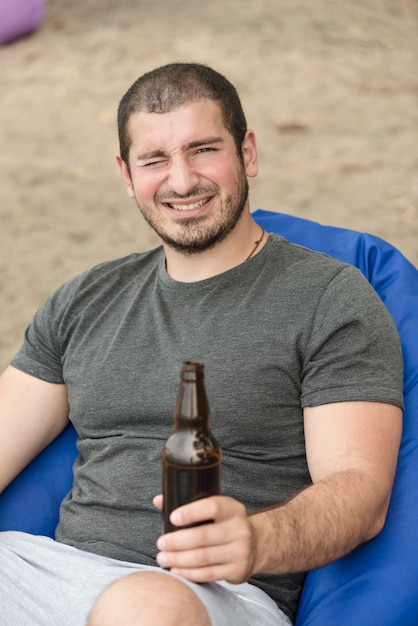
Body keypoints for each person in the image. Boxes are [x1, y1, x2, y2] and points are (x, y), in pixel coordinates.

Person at [0, 63, 403, 626]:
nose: (182, 181)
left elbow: (361, 492)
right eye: (155, 160)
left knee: (141, 607)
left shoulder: (331, 298)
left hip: (213, 593)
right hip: (49, 572)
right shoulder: (85, 299)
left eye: (203, 150)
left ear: (248, 153)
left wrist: (255, 540)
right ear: (126, 173)